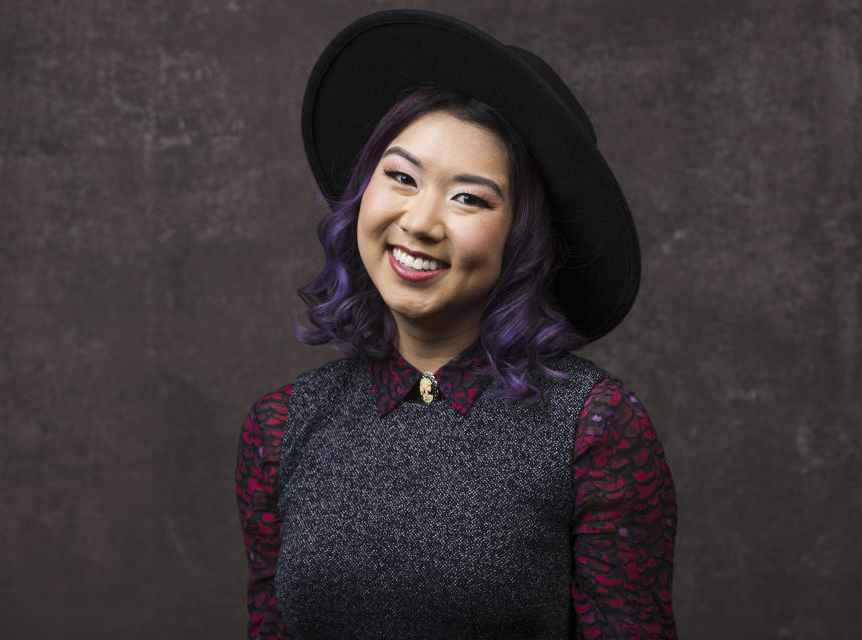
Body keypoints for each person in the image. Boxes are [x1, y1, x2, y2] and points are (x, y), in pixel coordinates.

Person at [236, 10, 677, 639]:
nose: (420, 221)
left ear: (522, 238)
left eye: (468, 197)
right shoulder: (280, 428)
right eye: (401, 177)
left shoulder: (594, 426)